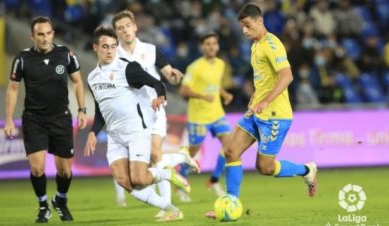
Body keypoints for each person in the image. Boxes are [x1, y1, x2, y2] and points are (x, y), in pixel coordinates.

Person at [208, 3, 318, 218]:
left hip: (275, 116)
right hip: (256, 112)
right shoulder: (255, 45)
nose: (245, 31)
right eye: (242, 27)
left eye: (248, 26)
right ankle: (231, 204)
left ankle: (307, 170)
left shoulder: (272, 44)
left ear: (259, 21)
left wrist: (266, 101)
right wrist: (256, 97)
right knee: (231, 150)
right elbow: (264, 78)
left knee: (265, 168)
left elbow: (287, 76)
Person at [84, 25, 191, 222]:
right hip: (115, 136)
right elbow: (101, 110)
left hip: (136, 131)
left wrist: (160, 95)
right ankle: (172, 209)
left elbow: (158, 83)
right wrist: (93, 132)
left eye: (113, 46)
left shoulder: (127, 68)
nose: (110, 51)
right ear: (95, 48)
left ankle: (166, 173)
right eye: (105, 46)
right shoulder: (92, 77)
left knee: (140, 179)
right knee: (125, 182)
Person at [110, 9, 199, 216]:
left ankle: (166, 206)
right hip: (131, 115)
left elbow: (168, 74)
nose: (125, 31)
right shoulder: (115, 56)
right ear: (116, 33)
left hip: (154, 108)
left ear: (135, 27)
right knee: (148, 161)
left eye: (127, 26)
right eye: (120, 28)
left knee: (156, 154)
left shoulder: (151, 50)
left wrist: (175, 76)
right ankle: (180, 157)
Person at [4, 16, 87, 223]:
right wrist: (8, 119)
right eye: (40, 34)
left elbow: (77, 82)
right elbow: (13, 89)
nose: (45, 38)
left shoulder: (65, 54)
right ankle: (43, 206)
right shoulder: (22, 59)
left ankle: (60, 199)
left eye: (48, 33)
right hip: (34, 119)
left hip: (61, 118)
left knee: (65, 172)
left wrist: (82, 110)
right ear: (32, 36)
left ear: (53, 33)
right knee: (37, 168)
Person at [179, 32, 233, 201]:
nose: (211, 46)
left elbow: (214, 85)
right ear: (202, 46)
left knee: (230, 146)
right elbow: (184, 90)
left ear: (217, 46)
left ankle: (214, 180)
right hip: (199, 117)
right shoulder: (194, 67)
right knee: (192, 152)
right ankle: (180, 181)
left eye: (214, 43)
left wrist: (224, 94)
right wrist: (203, 96)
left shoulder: (221, 64)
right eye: (208, 43)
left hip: (217, 113)